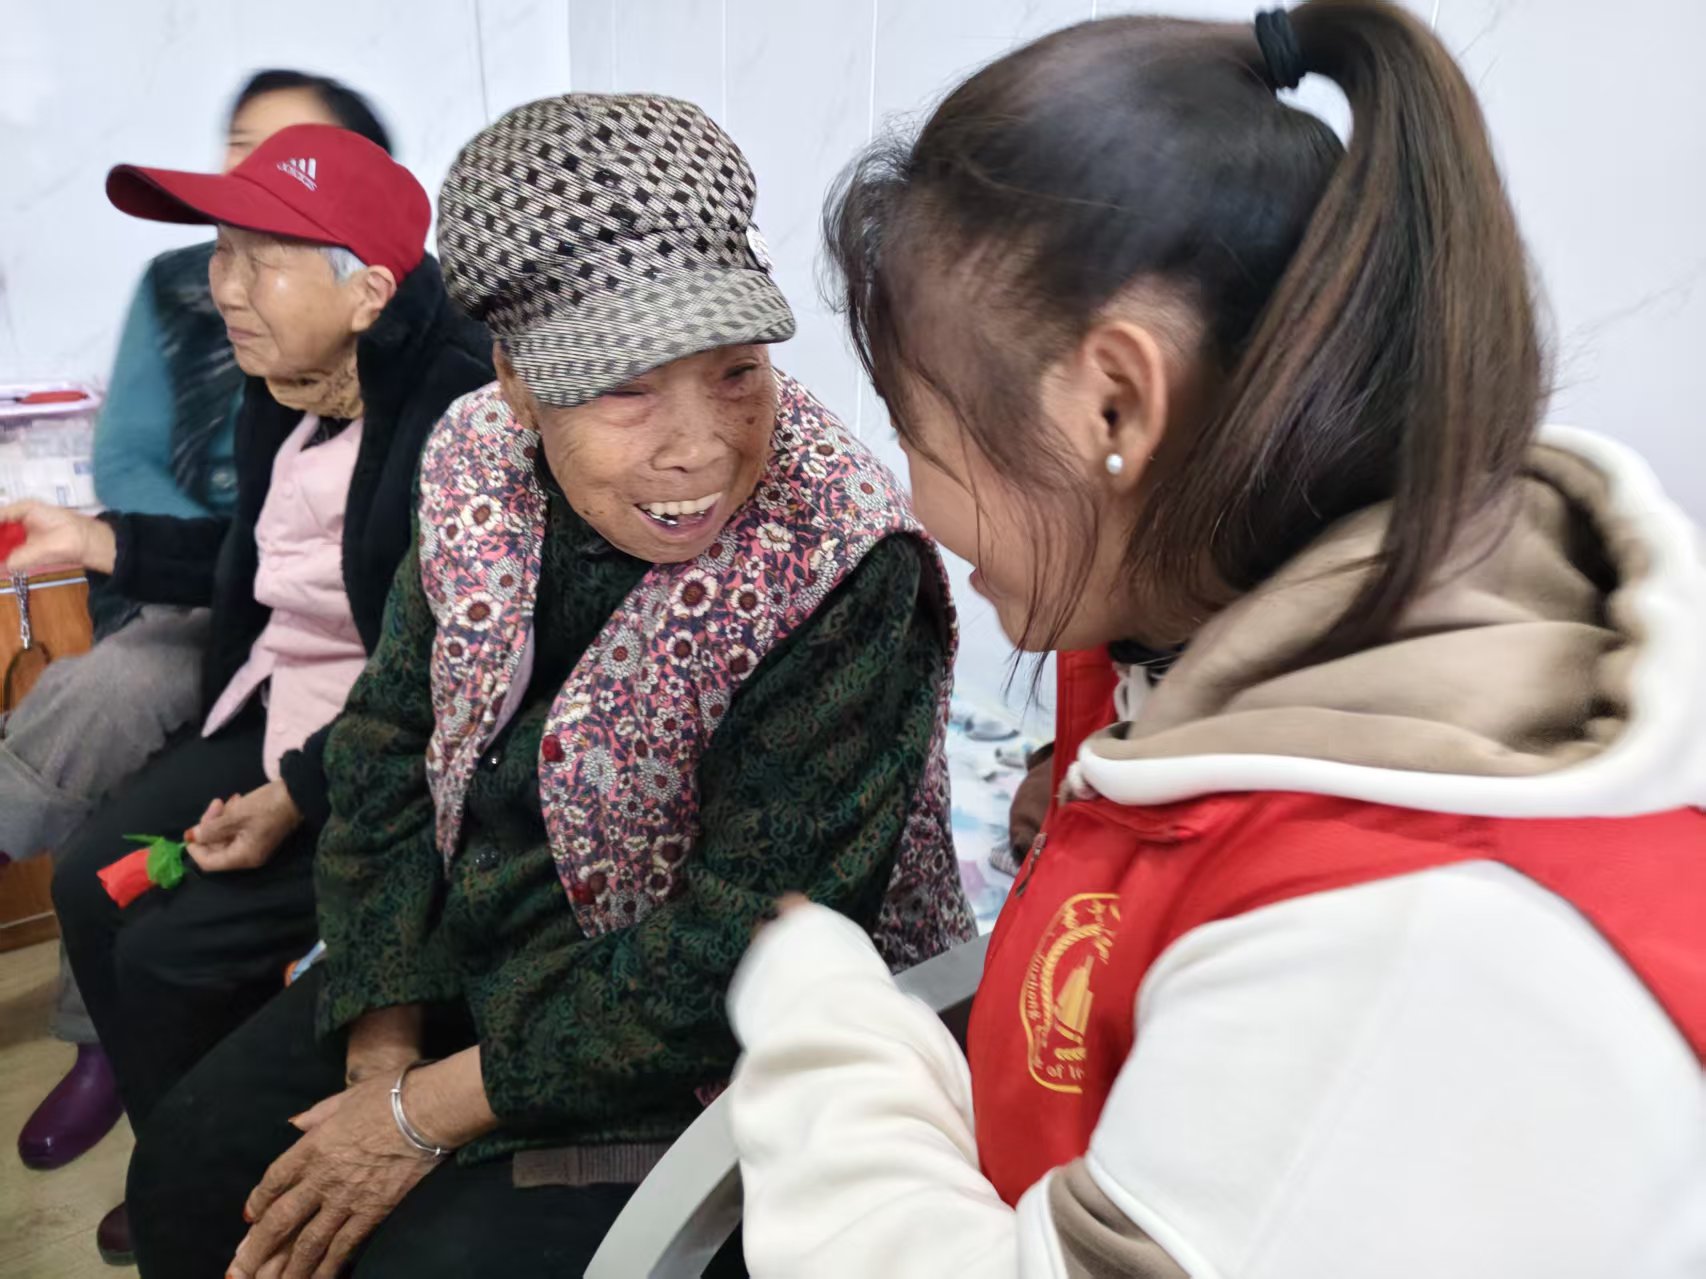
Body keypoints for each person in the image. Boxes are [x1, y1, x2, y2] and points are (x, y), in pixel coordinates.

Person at [725, 5, 1706, 1277]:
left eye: (920, 434)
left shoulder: (1402, 953)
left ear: (1113, 405)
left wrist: (818, 1014)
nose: (913, 497)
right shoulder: (1195, 633)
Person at [121, 92, 974, 1279]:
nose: (700, 446)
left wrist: (421, 1112)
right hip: (485, 954)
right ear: (516, 381)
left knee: (420, 1263)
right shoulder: (473, 455)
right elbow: (387, 745)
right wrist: (382, 1045)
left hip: (719, 1029)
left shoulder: (841, 563)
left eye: (736, 371)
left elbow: (741, 942)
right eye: (626, 387)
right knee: (189, 1172)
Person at [2, 121, 493, 1264]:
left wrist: (297, 794)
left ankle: (218, 1166)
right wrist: (105, 540)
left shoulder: (459, 412)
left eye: (261, 259)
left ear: (368, 292)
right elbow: (258, 564)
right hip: (282, 700)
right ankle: (170, 1141)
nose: (224, 286)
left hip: (384, 757)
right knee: (88, 879)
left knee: (171, 951)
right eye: (221, 251)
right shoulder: (287, 380)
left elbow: (445, 676)